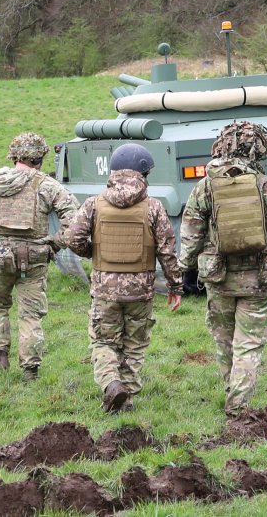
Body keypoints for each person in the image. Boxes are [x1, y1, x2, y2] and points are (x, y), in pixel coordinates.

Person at [178, 121, 267, 417]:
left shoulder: (205, 187)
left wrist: (183, 270)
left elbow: (190, 234)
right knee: (249, 344)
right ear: (259, 150)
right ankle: (238, 404)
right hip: (258, 279)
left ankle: (231, 393)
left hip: (217, 278)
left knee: (224, 341)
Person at [64, 143, 183, 412]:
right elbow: (167, 250)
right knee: (134, 345)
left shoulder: (94, 203)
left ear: (114, 171)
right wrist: (176, 286)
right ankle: (125, 399)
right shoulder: (153, 207)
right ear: (144, 174)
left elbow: (72, 238)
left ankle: (111, 384)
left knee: (104, 341)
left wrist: (93, 252)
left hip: (105, 289)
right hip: (140, 291)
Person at [0, 132, 78, 380]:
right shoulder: (47, 185)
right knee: (31, 314)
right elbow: (74, 220)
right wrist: (55, 246)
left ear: (14, 155)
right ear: (40, 157)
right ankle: (30, 372)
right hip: (35, 258)